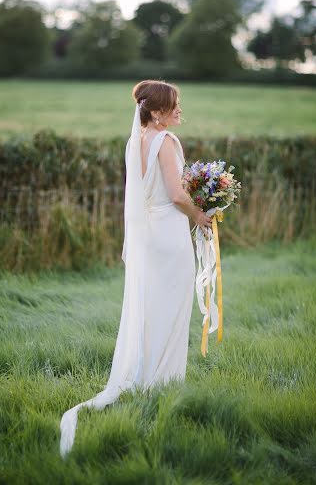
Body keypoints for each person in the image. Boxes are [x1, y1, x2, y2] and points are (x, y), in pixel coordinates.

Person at [59, 79, 213, 458]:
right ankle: (161, 382)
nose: (179, 110)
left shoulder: (135, 140)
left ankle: (145, 375)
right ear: (157, 111)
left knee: (150, 307)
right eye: (173, 105)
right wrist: (201, 215)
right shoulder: (167, 142)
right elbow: (177, 194)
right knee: (173, 308)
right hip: (168, 233)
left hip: (149, 237)